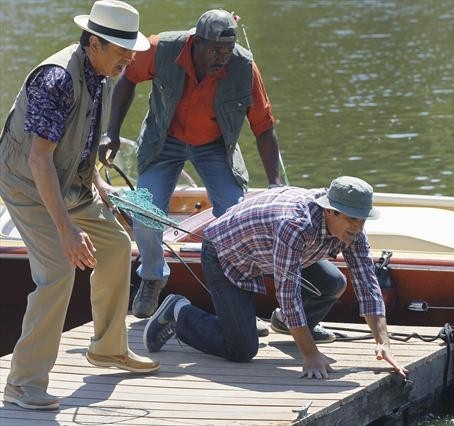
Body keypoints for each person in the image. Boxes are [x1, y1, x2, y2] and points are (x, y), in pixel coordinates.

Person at [0, 0, 160, 411]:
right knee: (56, 270)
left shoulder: (105, 73)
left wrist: (101, 186)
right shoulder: (56, 80)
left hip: (68, 180)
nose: (129, 57)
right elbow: (39, 160)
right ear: (93, 42)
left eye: (131, 48)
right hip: (26, 183)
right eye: (121, 48)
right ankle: (23, 384)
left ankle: (107, 348)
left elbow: (82, 143)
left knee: (117, 246)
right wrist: (67, 231)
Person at [103, 8, 284, 319]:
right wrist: (112, 133)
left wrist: (275, 185)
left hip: (214, 146)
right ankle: (151, 276)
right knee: (145, 210)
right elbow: (127, 80)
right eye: (215, 49)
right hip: (164, 139)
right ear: (196, 42)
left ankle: (237, 291)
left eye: (227, 50)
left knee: (235, 214)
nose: (222, 57)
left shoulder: (244, 67)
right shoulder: (161, 48)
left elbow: (264, 127)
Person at [143, 176, 408, 380]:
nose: (357, 227)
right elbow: (287, 292)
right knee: (242, 350)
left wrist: (382, 341)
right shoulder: (295, 225)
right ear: (330, 211)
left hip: (272, 251)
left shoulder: (353, 231)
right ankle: (179, 313)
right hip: (228, 252)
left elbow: (367, 284)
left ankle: (283, 323)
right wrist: (310, 354)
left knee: (333, 283)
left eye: (362, 220)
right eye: (352, 219)